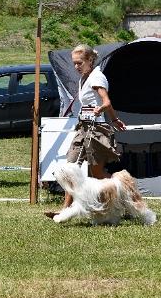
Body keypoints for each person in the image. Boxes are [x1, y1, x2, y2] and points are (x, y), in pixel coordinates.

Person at [45, 44, 126, 219]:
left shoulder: (97, 77)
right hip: (83, 128)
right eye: (74, 63)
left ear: (90, 60)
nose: (76, 67)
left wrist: (102, 111)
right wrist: (114, 119)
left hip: (96, 130)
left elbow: (106, 101)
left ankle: (125, 193)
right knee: (70, 167)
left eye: (79, 63)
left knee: (98, 174)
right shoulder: (85, 78)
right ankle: (66, 209)